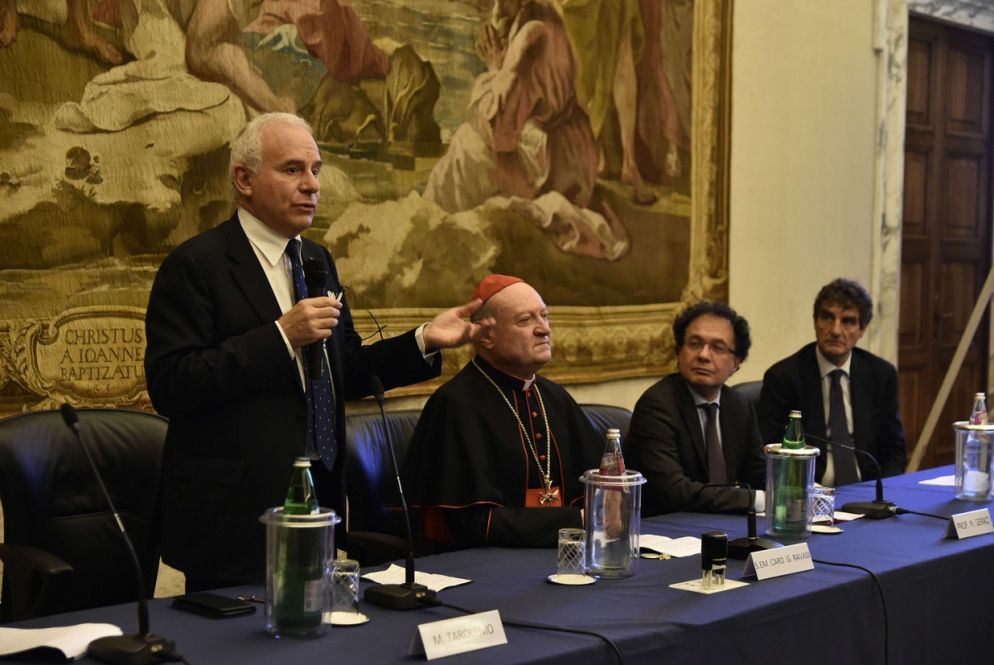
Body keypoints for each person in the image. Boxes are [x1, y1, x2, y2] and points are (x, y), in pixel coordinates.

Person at [144, 112, 483, 590]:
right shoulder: (195, 266)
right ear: (244, 179)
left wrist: (423, 339)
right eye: (292, 170)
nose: (312, 185)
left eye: (316, 169)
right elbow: (172, 385)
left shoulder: (315, 258)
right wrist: (281, 336)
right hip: (233, 513)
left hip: (319, 496)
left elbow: (345, 369)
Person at [402, 274, 603, 550]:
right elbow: (469, 524)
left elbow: (600, 487)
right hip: (482, 567)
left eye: (544, 316)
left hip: (564, 554)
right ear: (485, 336)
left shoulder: (556, 398)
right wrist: (574, 521)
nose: (544, 329)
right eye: (525, 320)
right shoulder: (455, 404)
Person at [757, 278, 907, 485]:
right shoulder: (784, 377)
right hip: (808, 490)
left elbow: (894, 449)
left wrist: (886, 491)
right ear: (815, 321)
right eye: (827, 317)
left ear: (862, 329)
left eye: (848, 321)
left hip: (868, 488)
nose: (836, 331)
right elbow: (769, 451)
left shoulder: (881, 375)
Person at [625, 301, 765, 515]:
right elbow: (674, 491)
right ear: (679, 351)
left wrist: (794, 489)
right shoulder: (657, 405)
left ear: (736, 362)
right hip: (666, 531)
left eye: (717, 347)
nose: (703, 355)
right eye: (694, 343)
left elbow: (759, 474)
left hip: (722, 526)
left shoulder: (739, 405)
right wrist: (755, 499)